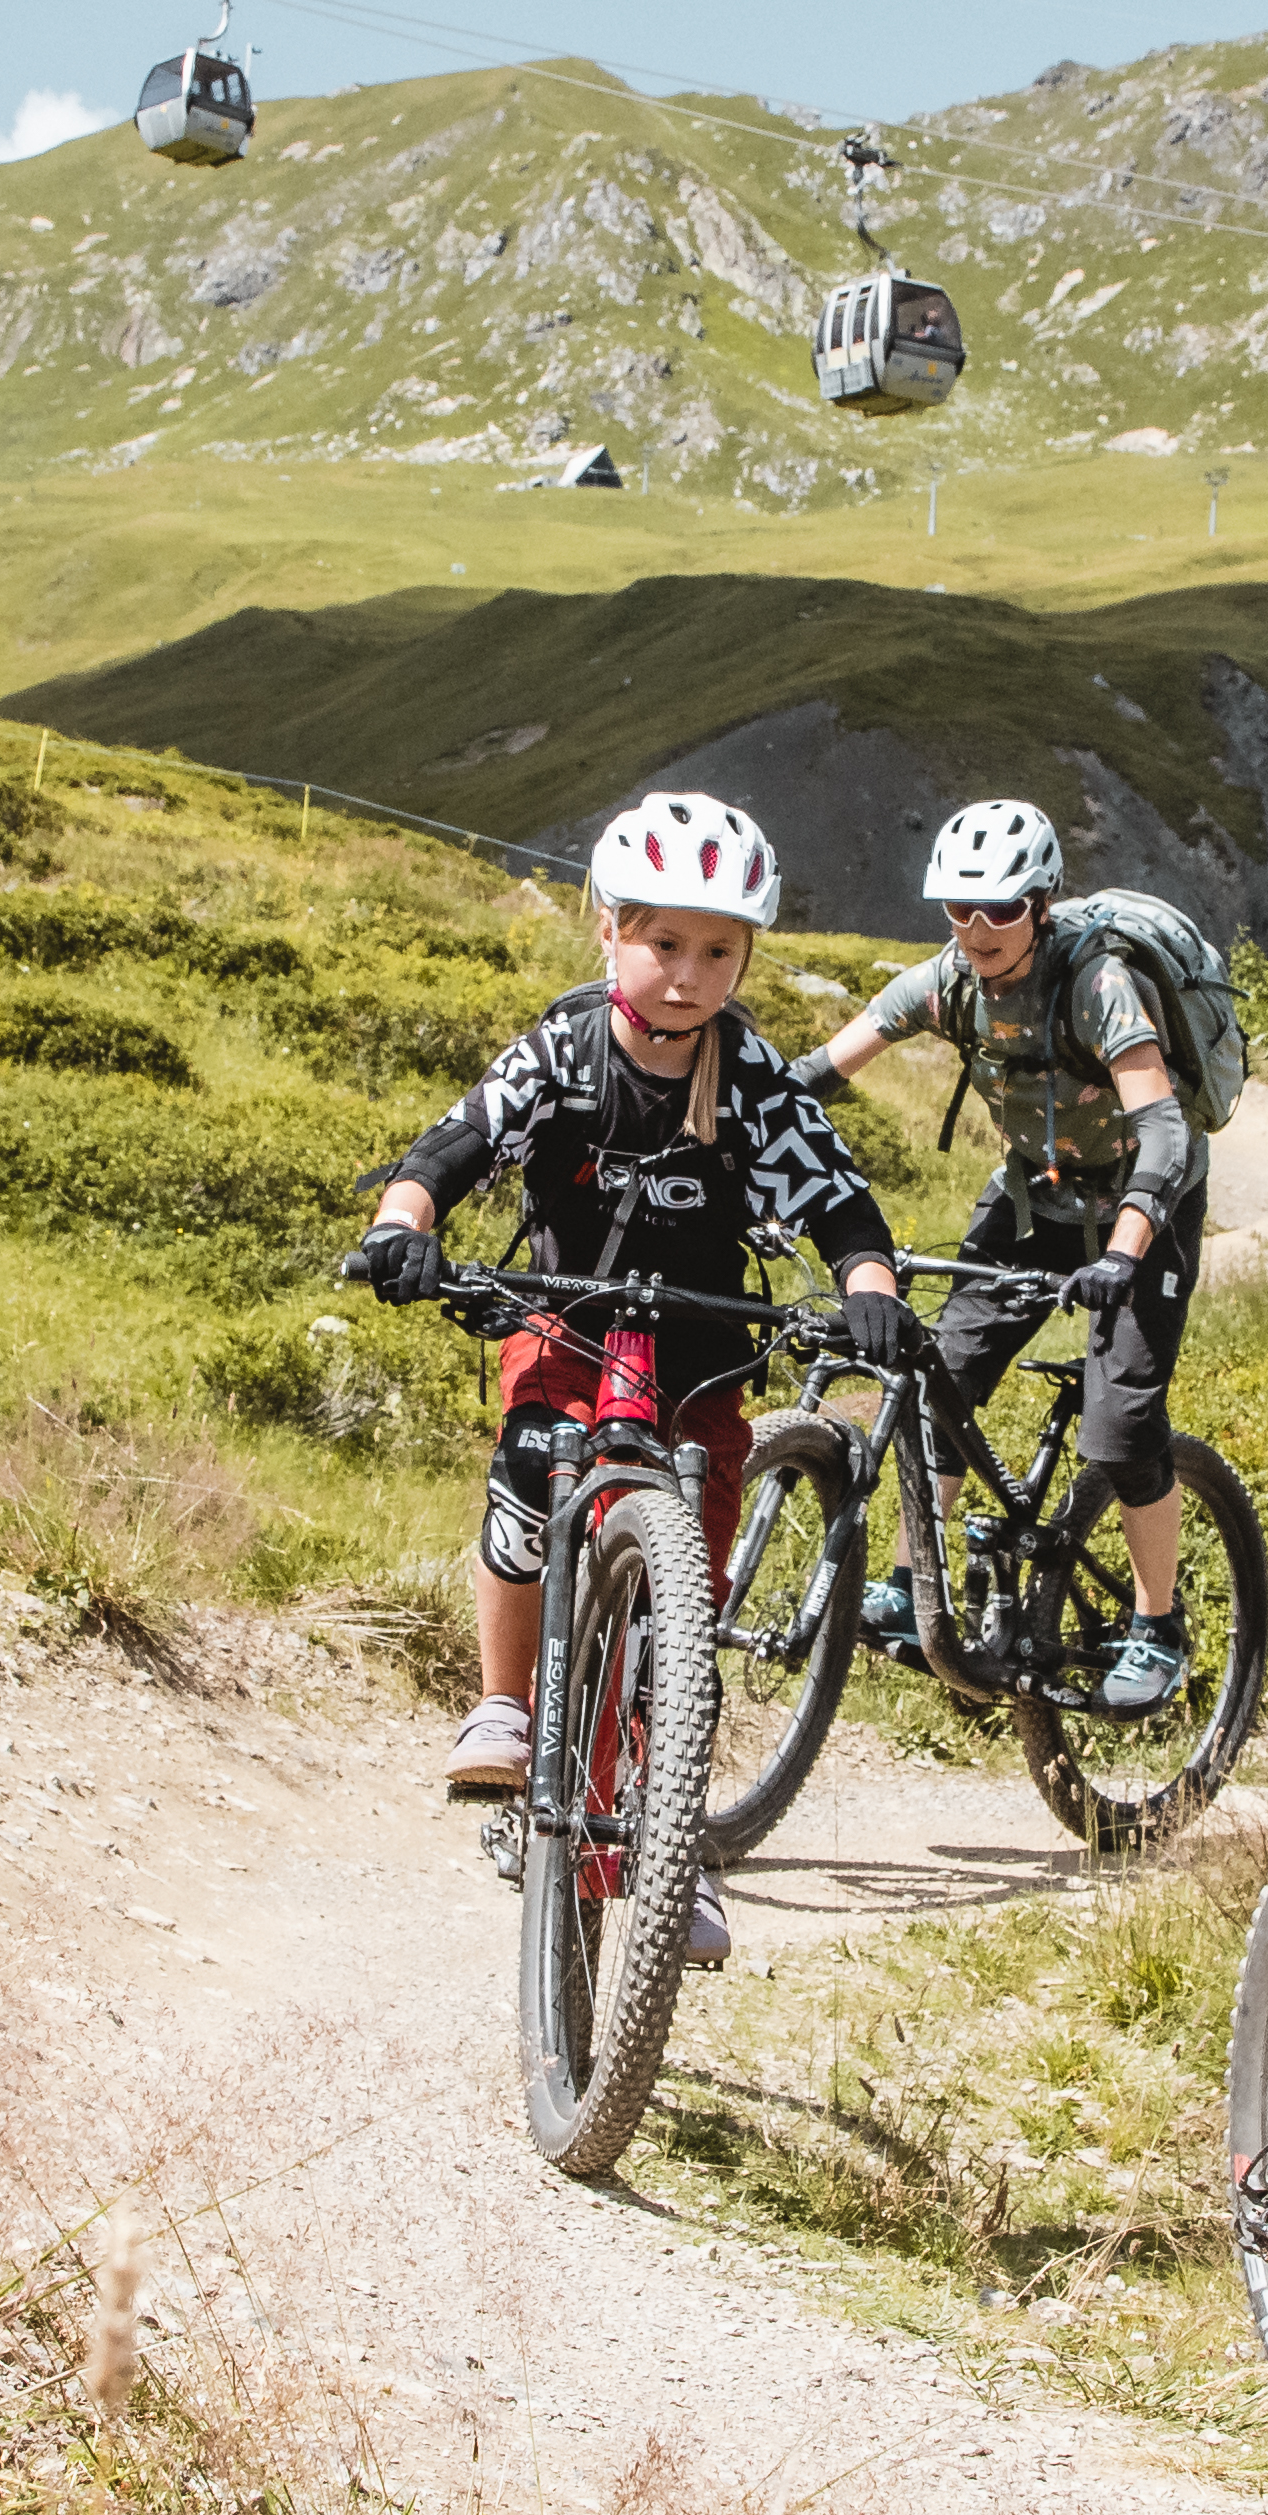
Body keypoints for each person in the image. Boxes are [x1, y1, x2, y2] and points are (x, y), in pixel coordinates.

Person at [352, 786, 915, 1969]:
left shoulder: (753, 1074)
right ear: (609, 929)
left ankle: (668, 1845)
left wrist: (868, 1283)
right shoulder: (564, 1046)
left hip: (702, 1361)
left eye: (718, 950)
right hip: (567, 1332)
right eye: (663, 942)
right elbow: (457, 1144)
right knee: (520, 1479)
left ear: (745, 957)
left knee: (684, 1608)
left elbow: (839, 1197)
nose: (686, 972)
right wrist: (406, 1223)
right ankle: (506, 1703)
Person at [787, 796, 1208, 1712]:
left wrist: (1127, 1250)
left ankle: (1157, 1625)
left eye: (1001, 909)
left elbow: (1166, 1132)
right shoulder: (947, 981)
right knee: (939, 1371)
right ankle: (908, 1587)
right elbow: (823, 1069)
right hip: (1036, 1195)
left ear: (1041, 904)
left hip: (1144, 1203)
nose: (977, 929)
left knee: (1123, 1425)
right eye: (958, 908)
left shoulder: (1098, 985)